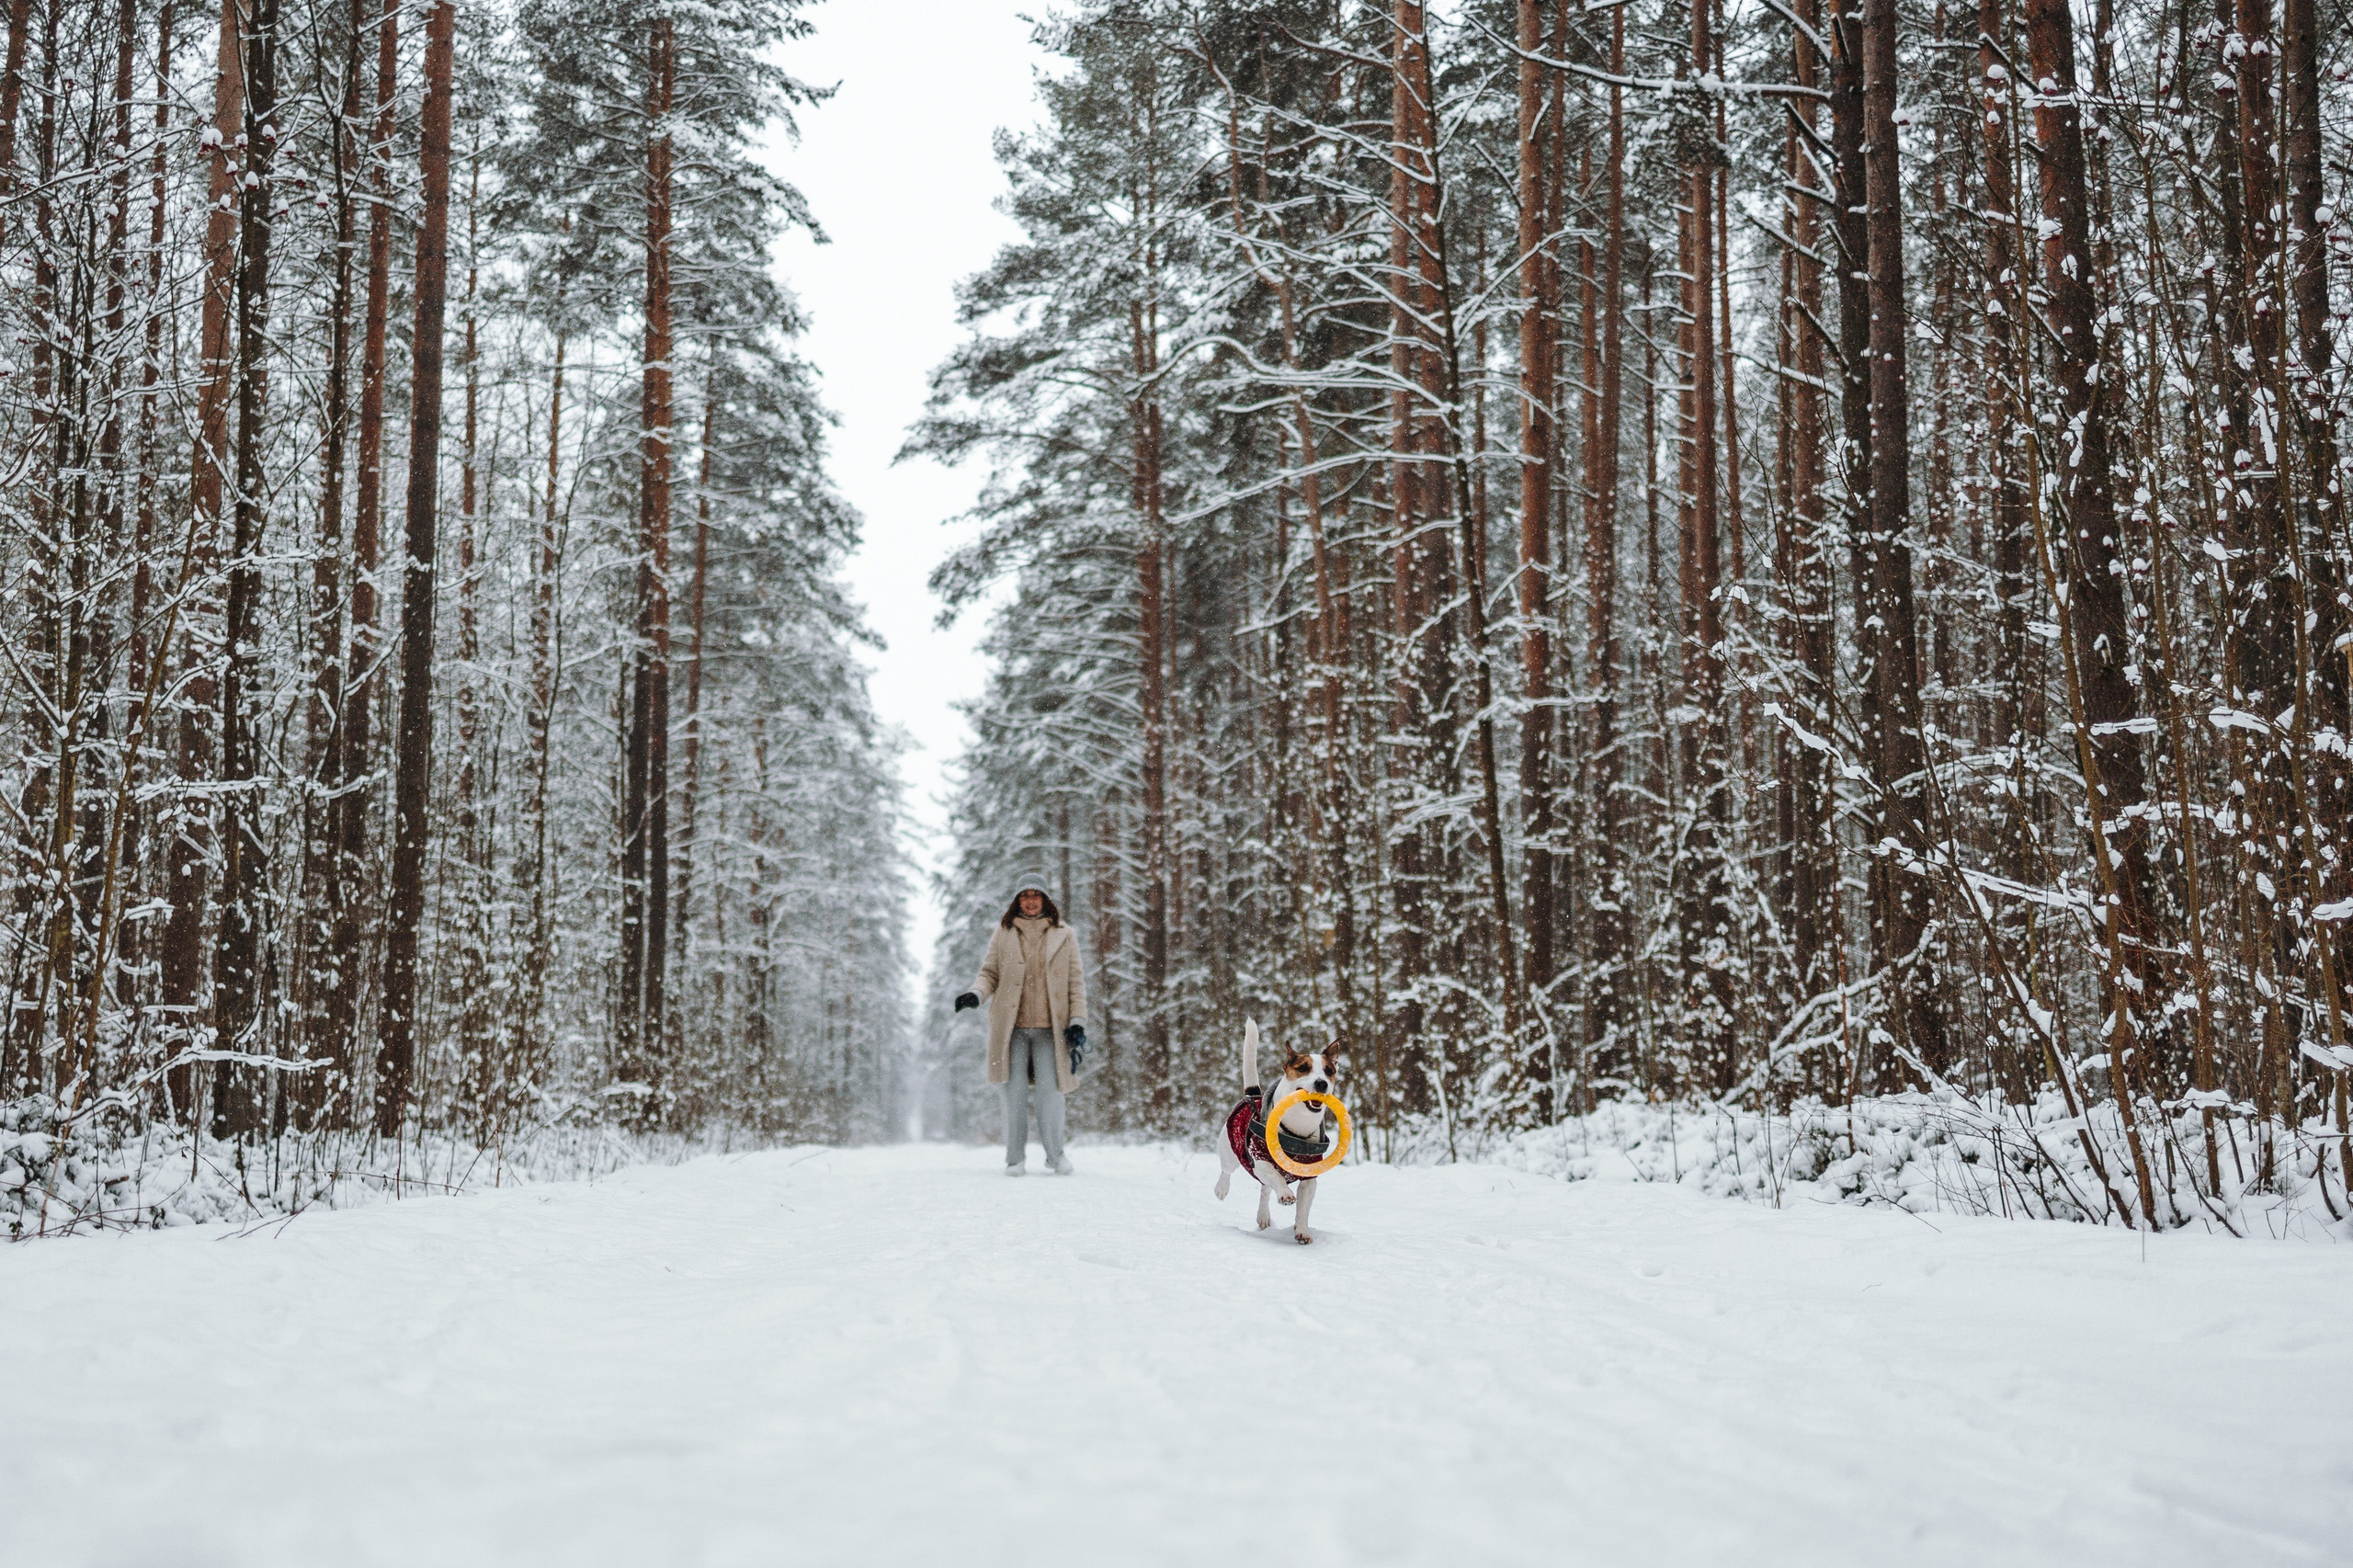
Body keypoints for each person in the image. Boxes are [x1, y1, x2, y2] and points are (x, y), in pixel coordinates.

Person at [955, 872, 1087, 1176]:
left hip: (1051, 1032)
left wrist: (1078, 1021)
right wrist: (976, 995)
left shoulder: (1065, 934)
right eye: (1024, 896)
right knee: (1012, 1095)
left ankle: (1056, 1156)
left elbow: (1075, 982)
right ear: (1017, 901)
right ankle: (1015, 1159)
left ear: (1045, 900)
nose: (1030, 901)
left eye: (1036, 895)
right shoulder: (1004, 933)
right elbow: (989, 973)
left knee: (1051, 1096)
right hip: (1011, 1030)